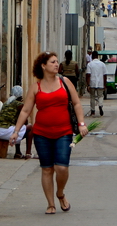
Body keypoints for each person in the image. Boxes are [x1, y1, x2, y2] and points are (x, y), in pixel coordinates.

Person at [11, 52, 88, 214]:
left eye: (57, 62)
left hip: (64, 132)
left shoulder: (65, 82)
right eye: (52, 62)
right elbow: (25, 110)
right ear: (43, 66)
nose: (56, 64)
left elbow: (76, 104)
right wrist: (16, 131)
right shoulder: (36, 87)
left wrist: (81, 124)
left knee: (61, 168)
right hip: (42, 134)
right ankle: (50, 204)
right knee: (47, 169)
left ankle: (60, 193)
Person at [0, 85, 32, 159]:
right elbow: (25, 122)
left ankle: (18, 152)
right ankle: (28, 153)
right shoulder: (19, 105)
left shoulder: (6, 103)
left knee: (17, 128)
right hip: (5, 131)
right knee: (30, 128)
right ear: (21, 96)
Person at [85, 51, 106, 117]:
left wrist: (88, 85)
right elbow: (105, 75)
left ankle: (93, 111)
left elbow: (88, 75)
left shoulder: (90, 64)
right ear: (97, 56)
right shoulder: (102, 64)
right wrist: (105, 84)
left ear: (92, 56)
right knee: (100, 96)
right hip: (100, 82)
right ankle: (100, 105)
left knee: (92, 97)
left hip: (92, 82)